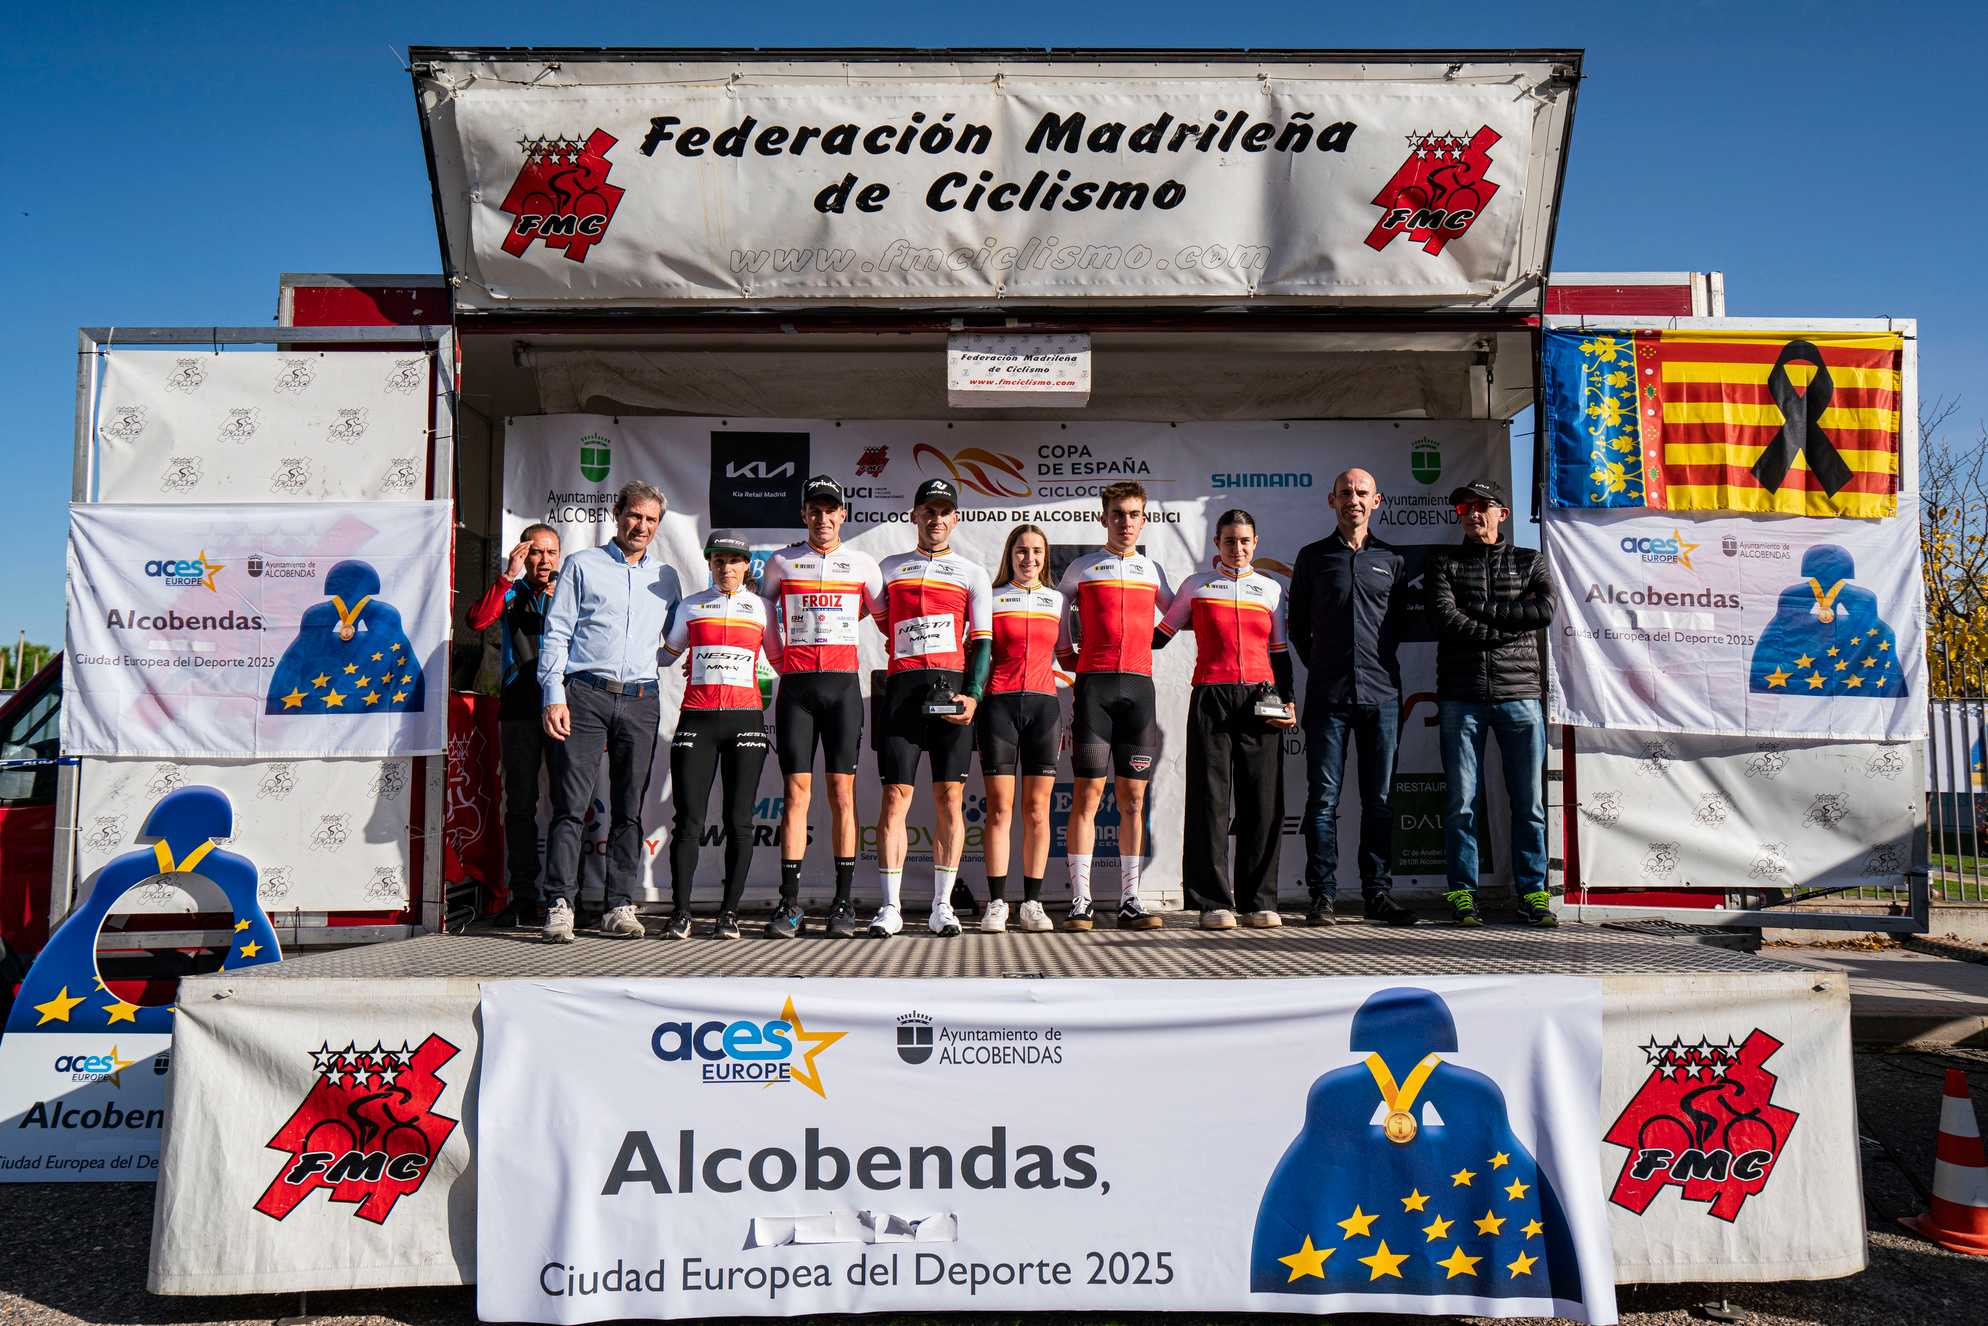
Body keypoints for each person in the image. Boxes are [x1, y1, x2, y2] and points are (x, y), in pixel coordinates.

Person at [537, 480, 682, 943]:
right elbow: (556, 633)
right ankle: (561, 903)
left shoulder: (667, 578)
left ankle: (619, 904)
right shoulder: (583, 566)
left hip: (640, 699)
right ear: (618, 514)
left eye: (651, 520)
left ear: (658, 526)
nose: (641, 526)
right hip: (584, 694)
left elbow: (673, 642)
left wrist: (647, 661)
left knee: (630, 809)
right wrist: (552, 694)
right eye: (634, 515)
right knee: (570, 805)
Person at [1287, 469, 1417, 927]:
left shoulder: (1393, 560)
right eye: (1345, 493)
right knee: (1322, 800)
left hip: (1382, 696)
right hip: (1327, 697)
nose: (1353, 500)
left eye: (1362, 493)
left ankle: (1377, 894)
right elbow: (1296, 627)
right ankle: (1322, 897)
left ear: (1377, 501)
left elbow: (1399, 625)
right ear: (1331, 500)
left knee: (1379, 799)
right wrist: (1322, 665)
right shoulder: (1312, 557)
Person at [756, 476, 885, 939]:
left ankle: (843, 903)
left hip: (842, 689)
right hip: (796, 690)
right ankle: (789, 905)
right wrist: (777, 659)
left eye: (831, 509)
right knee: (795, 796)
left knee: (843, 796)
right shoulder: (781, 562)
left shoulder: (863, 565)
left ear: (843, 515)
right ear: (804, 514)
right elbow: (762, 611)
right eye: (815, 509)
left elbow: (882, 614)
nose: (823, 517)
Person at [1426, 479, 1558, 928]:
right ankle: (1463, 892)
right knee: (1462, 803)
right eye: (1464, 507)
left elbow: (1543, 610)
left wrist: (1482, 613)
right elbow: (1446, 619)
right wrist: (1504, 628)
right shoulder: (1442, 562)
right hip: (1461, 698)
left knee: (1530, 804)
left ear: (1502, 513)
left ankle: (1533, 893)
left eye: (1482, 506)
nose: (1472, 514)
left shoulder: (1529, 561)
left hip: (1520, 697)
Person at [1156, 509, 1297, 928]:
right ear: (1217, 543)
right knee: (1210, 800)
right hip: (1211, 695)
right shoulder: (1196, 586)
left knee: (1262, 802)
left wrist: (1288, 702)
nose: (1237, 549)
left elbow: (1280, 653)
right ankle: (1212, 902)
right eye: (1229, 541)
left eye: (1245, 541)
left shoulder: (1270, 590)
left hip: (1262, 699)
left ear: (1256, 543)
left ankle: (1259, 901)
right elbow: (1160, 637)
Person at [869, 478, 993, 938]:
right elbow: (883, 622)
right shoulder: (889, 567)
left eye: (944, 511)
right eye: (928, 510)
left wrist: (974, 695)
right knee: (894, 797)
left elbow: (982, 640)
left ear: (954, 519)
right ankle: (890, 907)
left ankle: (943, 906)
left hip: (952, 692)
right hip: (902, 691)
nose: (936, 519)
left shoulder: (972, 572)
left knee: (950, 798)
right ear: (914, 516)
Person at [1054, 481, 1172, 932]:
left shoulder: (1153, 571)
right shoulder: (1081, 569)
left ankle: (1130, 900)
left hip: (1139, 691)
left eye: (1134, 514)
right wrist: (1069, 659)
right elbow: (1057, 616)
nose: (1126, 522)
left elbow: (1179, 612)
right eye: (1118, 514)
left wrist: (1151, 643)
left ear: (1144, 520)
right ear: (1104, 518)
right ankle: (1081, 902)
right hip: (1094, 689)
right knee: (1086, 796)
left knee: (1133, 800)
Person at [657, 532, 774, 941]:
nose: (726, 568)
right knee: (688, 821)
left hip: (745, 720)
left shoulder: (761, 609)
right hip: (698, 719)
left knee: (739, 820)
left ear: (747, 566)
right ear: (709, 563)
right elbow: (666, 655)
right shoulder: (691, 605)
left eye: (734, 561)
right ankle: (681, 912)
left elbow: (778, 659)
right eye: (719, 560)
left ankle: (729, 914)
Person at [465, 524, 561, 928]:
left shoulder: (572, 592)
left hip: (566, 709)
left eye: (551, 553)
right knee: (520, 806)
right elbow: (475, 620)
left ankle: (563, 897)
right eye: (535, 553)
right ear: (523, 554)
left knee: (570, 807)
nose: (544, 561)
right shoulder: (512, 591)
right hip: (520, 709)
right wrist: (508, 575)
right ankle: (523, 895)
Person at [978, 524, 1063, 934]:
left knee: (1037, 810)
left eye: (1036, 552)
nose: (1029, 559)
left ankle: (1032, 902)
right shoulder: (991, 600)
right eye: (1021, 551)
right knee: (999, 809)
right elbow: (975, 654)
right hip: (999, 706)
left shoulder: (1057, 601)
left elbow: (1065, 654)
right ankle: (996, 902)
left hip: (1045, 709)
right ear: (1009, 555)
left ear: (1045, 558)